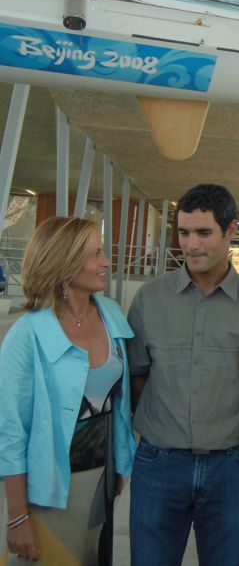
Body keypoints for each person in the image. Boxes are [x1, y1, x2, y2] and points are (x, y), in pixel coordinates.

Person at [127, 184, 239, 566]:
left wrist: (225, 428)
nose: (191, 245)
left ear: (231, 230)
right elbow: (137, 379)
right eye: (184, 232)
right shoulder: (149, 299)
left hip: (231, 469)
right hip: (158, 466)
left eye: (204, 232)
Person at [0, 216, 136, 564]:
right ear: (64, 263)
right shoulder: (27, 334)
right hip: (49, 491)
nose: (107, 262)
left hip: (101, 482)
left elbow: (118, 404)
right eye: (95, 254)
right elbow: (10, 432)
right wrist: (17, 516)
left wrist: (118, 465)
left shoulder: (111, 315)